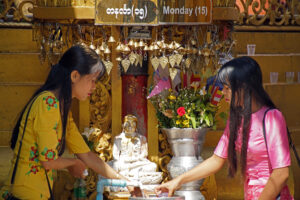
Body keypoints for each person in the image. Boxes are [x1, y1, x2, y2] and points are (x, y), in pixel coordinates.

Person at [0, 45, 134, 200]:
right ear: (75, 76)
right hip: (24, 194)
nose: (94, 86)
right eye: (91, 80)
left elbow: (87, 156)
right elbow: (48, 161)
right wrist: (73, 163)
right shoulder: (48, 103)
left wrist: (125, 182)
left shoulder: (61, 107)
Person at [155, 56, 293, 200]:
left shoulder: (272, 118)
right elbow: (216, 160)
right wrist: (178, 181)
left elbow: (281, 173)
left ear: (245, 88)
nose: (223, 93)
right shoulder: (237, 120)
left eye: (228, 88)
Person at [110, 114, 162, 185]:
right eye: (127, 125)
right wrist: (122, 161)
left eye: (133, 125)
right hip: (123, 162)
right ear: (123, 126)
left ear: (136, 126)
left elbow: (144, 154)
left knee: (153, 166)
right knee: (114, 166)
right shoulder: (118, 138)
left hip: (137, 162)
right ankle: (131, 175)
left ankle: (129, 175)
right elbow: (115, 155)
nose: (130, 127)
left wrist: (135, 159)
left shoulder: (142, 138)